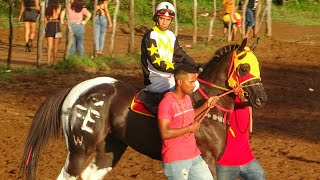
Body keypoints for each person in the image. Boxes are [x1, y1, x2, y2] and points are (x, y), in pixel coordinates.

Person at [158, 65, 219, 180]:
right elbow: (164, 133)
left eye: (194, 82)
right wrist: (189, 129)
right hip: (176, 161)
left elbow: (191, 116)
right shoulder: (167, 103)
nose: (194, 86)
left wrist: (207, 105)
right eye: (191, 82)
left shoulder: (186, 98)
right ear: (180, 82)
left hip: (194, 156)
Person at [140, 1, 201, 114]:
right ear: (156, 18)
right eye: (162, 18)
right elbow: (156, 62)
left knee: (196, 83)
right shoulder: (150, 35)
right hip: (155, 79)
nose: (164, 22)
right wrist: (180, 69)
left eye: (168, 20)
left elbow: (180, 55)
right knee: (185, 84)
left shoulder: (171, 35)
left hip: (169, 75)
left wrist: (196, 66)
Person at [215, 96, 265, 180]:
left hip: (247, 159)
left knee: (260, 175)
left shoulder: (247, 99)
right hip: (224, 163)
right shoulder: (223, 101)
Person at [45, 0, 61, 65]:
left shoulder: (47, 9)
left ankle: (48, 62)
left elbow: (45, 19)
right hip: (57, 26)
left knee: (49, 46)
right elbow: (60, 16)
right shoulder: (58, 7)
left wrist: (45, 29)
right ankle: (55, 62)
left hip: (49, 25)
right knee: (56, 47)